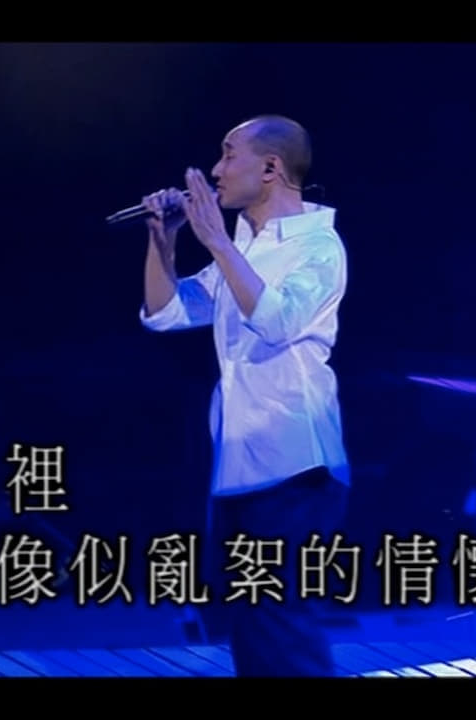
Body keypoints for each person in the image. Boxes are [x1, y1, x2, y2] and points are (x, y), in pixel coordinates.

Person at [138, 114, 351, 677]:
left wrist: (214, 240)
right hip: (239, 464)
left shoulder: (319, 246)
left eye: (229, 154)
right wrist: (165, 238)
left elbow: (277, 321)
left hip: (296, 463)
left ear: (271, 167)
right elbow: (166, 313)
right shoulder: (243, 250)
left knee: (284, 620)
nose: (216, 170)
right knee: (252, 626)